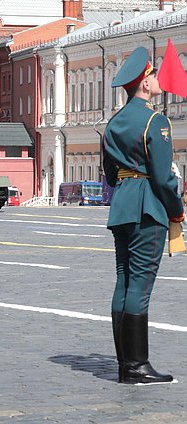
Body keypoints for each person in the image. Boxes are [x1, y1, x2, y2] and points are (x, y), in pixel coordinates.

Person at [102, 47, 185, 385]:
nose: (157, 80)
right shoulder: (156, 121)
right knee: (140, 285)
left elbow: (109, 175)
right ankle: (137, 366)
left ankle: (126, 363)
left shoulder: (113, 124)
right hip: (148, 208)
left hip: (122, 205)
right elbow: (164, 178)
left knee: (123, 281)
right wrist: (177, 208)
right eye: (153, 76)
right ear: (144, 84)